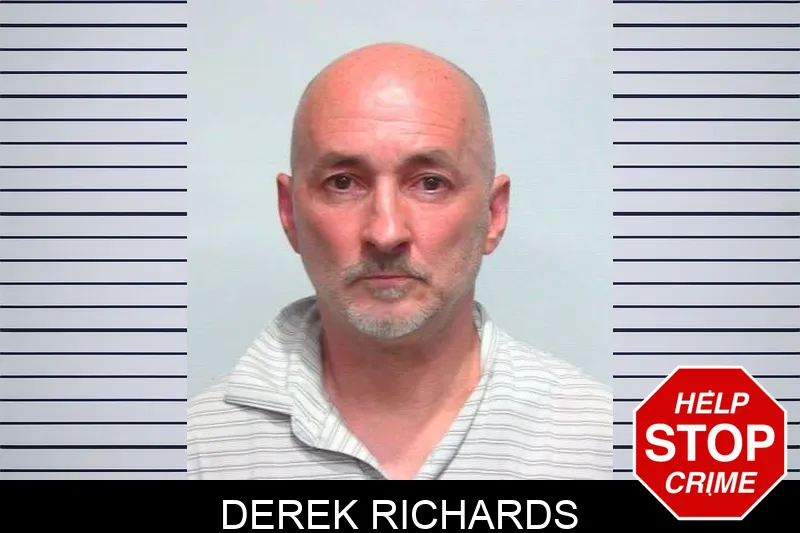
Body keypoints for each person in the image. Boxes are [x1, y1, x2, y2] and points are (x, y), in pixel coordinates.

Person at [188, 42, 612, 480]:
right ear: (289, 212)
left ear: (494, 214)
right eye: (343, 183)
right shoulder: (193, 452)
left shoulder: (605, 447)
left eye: (430, 183)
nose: (386, 232)